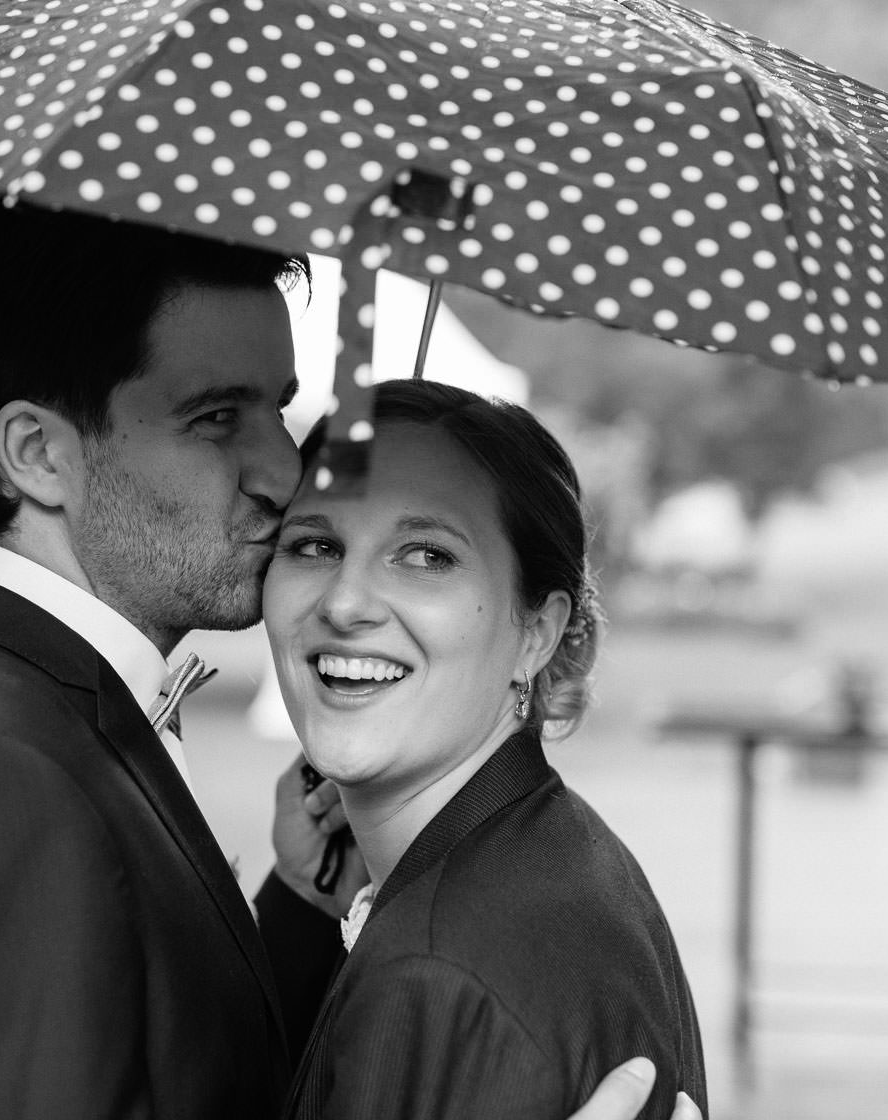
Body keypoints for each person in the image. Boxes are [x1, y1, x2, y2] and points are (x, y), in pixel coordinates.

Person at [0, 191, 695, 1120]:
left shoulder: (12, 707)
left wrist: (297, 906)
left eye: (277, 409)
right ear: (38, 454)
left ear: (539, 626)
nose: (285, 472)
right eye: (216, 417)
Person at [266, 381, 709, 1119]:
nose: (344, 603)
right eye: (316, 544)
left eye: (427, 555)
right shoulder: (562, 854)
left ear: (535, 632)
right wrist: (305, 909)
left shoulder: (435, 974)